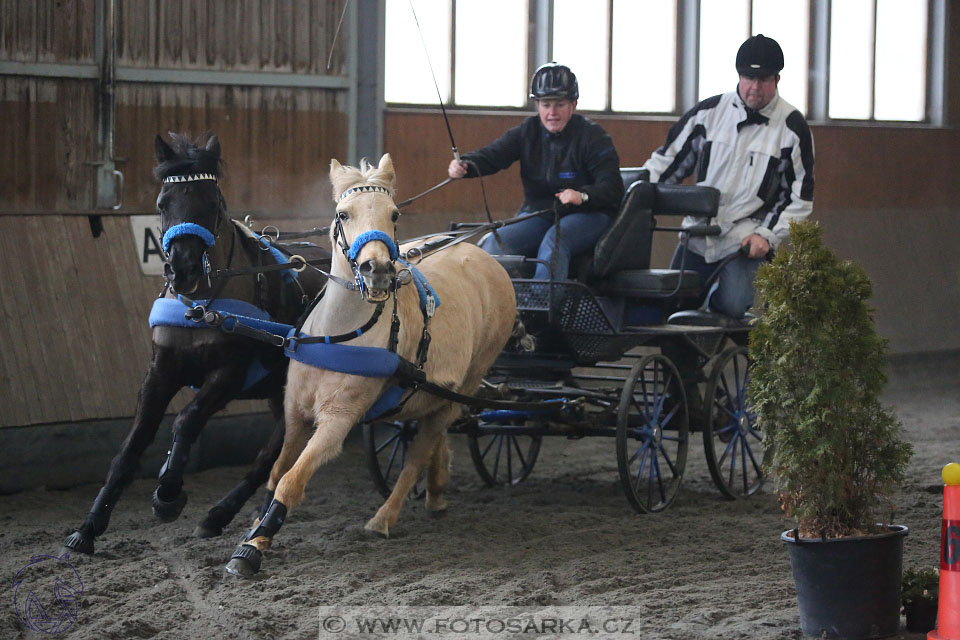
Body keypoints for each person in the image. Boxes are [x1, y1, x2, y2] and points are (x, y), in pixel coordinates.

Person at [641, 34, 815, 318]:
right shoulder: (707, 113)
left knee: (733, 306)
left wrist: (766, 235)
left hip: (744, 241)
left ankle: (714, 322)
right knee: (668, 308)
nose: (755, 87)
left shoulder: (792, 128)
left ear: (777, 79)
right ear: (738, 76)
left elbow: (799, 196)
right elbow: (668, 164)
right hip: (698, 234)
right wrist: (637, 194)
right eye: (748, 78)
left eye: (763, 80)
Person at [448, 62, 624, 281]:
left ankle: (542, 301)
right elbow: (494, 155)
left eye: (560, 105)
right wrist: (466, 165)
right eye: (546, 105)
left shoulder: (594, 137)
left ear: (573, 105)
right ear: (537, 105)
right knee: (494, 243)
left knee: (555, 240)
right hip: (540, 213)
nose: (552, 113)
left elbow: (613, 189)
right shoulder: (527, 132)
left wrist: (582, 195)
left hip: (589, 215)